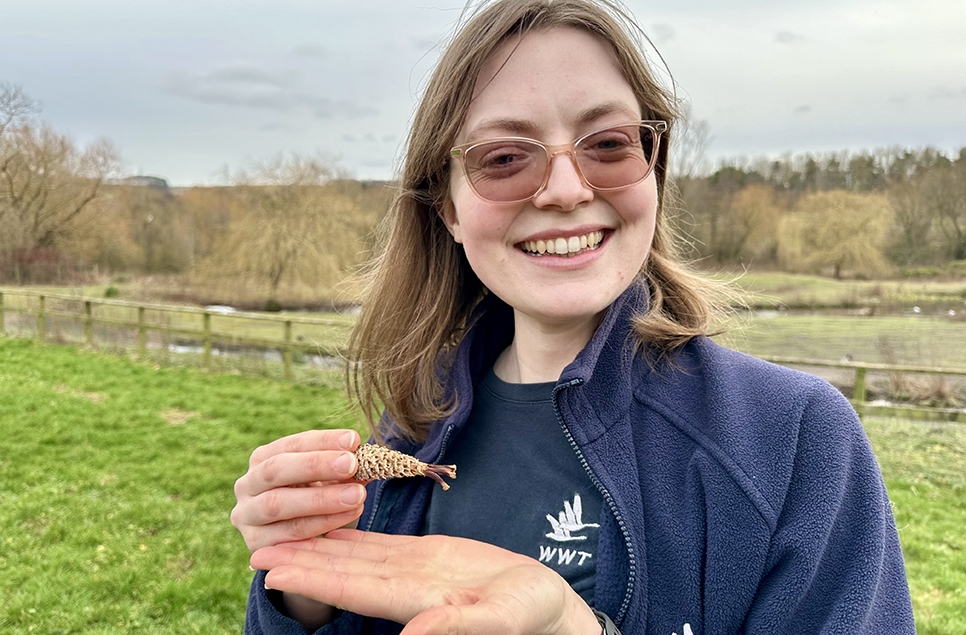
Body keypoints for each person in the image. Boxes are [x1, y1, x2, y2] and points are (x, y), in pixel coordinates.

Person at [230, 1, 915, 633]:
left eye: (608, 144)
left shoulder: (793, 440)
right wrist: (305, 594)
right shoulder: (415, 426)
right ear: (448, 207)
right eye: (503, 158)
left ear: (653, 168)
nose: (566, 189)